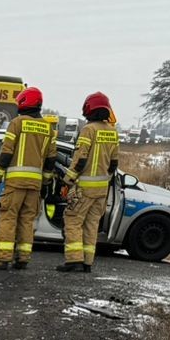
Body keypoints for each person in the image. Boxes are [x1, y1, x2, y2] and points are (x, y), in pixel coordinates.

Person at [0, 87, 56, 270]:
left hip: (15, 183)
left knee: (8, 218)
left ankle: (2, 258)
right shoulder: (49, 129)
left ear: (24, 102)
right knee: (27, 221)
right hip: (34, 185)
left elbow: (6, 152)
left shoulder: (16, 123)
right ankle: (23, 258)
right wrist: (46, 182)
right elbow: (51, 159)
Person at [60, 91, 121, 273]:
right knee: (92, 224)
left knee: (72, 220)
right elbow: (114, 164)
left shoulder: (88, 130)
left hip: (84, 187)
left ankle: (73, 260)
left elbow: (80, 159)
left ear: (89, 108)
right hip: (102, 190)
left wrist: (68, 180)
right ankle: (87, 262)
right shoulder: (112, 132)